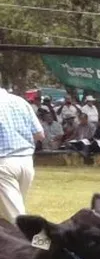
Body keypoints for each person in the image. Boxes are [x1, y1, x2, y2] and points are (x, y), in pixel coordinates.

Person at [0, 86, 44, 223]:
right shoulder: (20, 102)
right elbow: (40, 134)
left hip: (4, 164)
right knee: (11, 211)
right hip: (26, 162)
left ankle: (33, 236)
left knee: (15, 218)